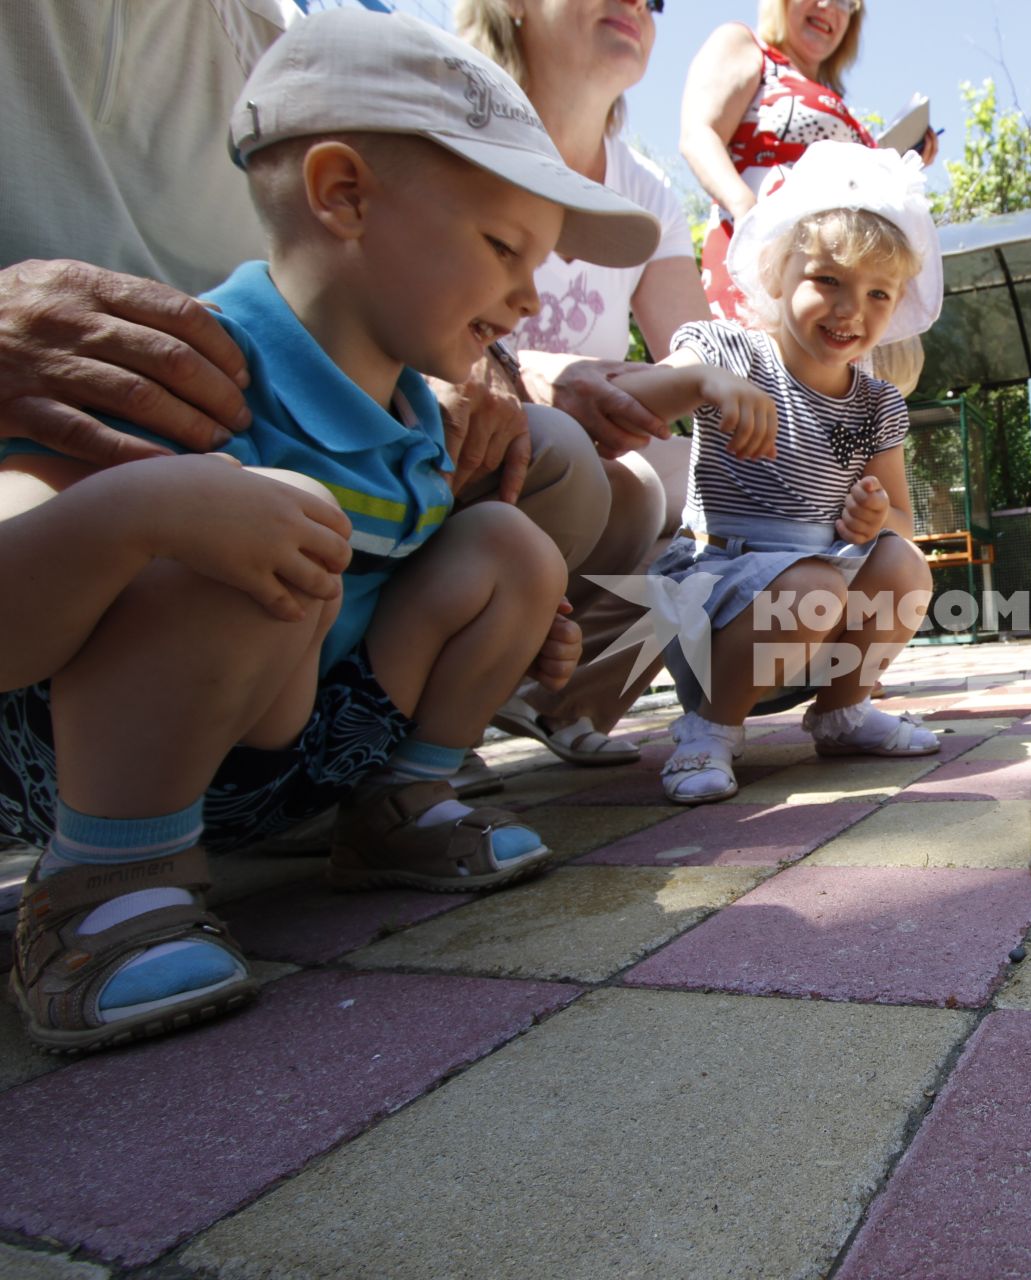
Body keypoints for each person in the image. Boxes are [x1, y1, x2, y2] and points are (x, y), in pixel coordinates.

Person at [0, 8, 662, 1053]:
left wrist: (517, 631)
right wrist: (149, 509)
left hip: (294, 752)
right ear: (343, 195)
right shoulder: (178, 371)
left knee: (511, 550)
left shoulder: (410, 413)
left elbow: (412, 579)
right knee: (244, 528)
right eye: (503, 247)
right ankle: (102, 886)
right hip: (97, 756)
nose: (530, 297)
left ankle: (398, 805)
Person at [453, 0, 712, 770]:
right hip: (462, 429)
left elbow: (696, 355)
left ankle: (565, 700)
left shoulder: (647, 188)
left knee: (715, 480)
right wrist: (534, 379)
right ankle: (427, 720)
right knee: (577, 458)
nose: (638, 3)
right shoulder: (446, 124)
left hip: (589, 465)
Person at [643, 141, 943, 804]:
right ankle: (710, 729)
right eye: (827, 280)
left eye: (877, 294)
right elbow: (641, 394)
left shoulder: (876, 404)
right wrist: (702, 383)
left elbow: (899, 520)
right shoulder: (728, 352)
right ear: (777, 273)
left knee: (903, 564)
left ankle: (841, 710)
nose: (850, 310)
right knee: (812, 584)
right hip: (717, 603)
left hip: (816, 610)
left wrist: (873, 519)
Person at [679, 0, 938, 325]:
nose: (828, 5)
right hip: (759, 271)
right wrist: (751, 216)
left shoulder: (838, 102)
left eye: (846, 2)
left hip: (843, 292)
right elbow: (699, 136)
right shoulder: (748, 46)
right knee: (749, 369)